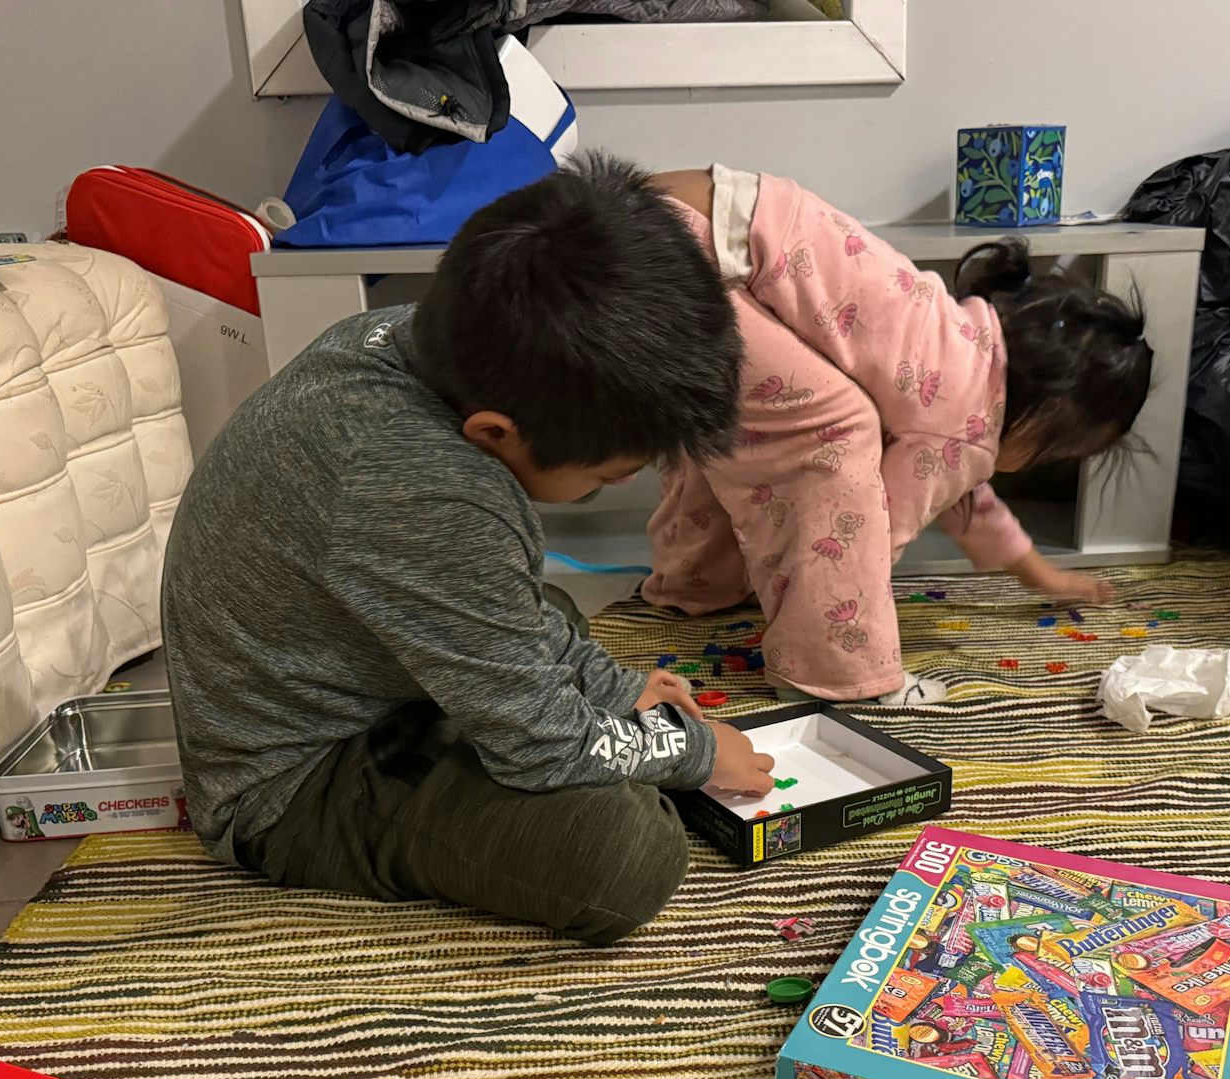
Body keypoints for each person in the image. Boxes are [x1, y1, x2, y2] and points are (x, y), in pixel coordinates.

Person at [161, 154, 774, 946]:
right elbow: (540, 747)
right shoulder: (423, 485)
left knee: (535, 605)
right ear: (494, 432)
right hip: (296, 777)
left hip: (356, 658)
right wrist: (691, 753)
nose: (607, 486)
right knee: (625, 856)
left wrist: (612, 691)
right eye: (603, 477)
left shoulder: (408, 337)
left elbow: (499, 601)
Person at [643, 167, 1154, 705]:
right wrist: (845, 619)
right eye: (1057, 452)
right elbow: (865, 533)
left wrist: (1037, 573)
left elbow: (964, 492)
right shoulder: (961, 420)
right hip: (688, 259)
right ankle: (836, 676)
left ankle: (694, 581)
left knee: (757, 424)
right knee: (828, 441)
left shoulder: (962, 345)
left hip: (672, 212)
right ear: (1048, 414)